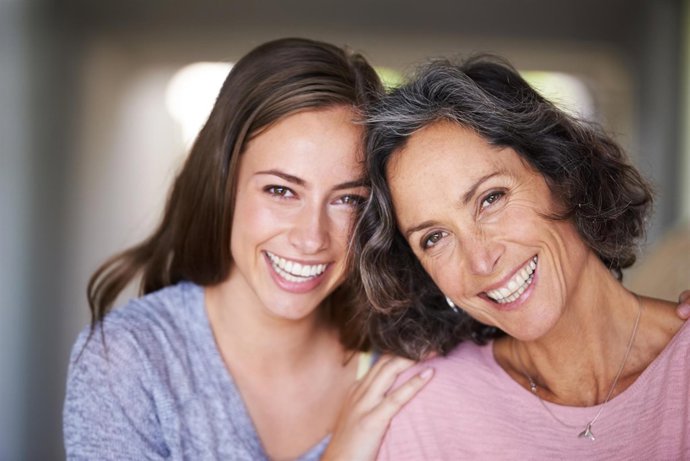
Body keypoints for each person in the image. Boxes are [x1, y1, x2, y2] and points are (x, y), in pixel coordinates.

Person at [63, 37, 433, 461]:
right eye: (281, 190)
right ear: (224, 184)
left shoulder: (401, 360)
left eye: (348, 199)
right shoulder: (129, 359)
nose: (311, 238)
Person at [355, 55, 690, 459]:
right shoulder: (423, 405)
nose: (480, 261)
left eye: (491, 199)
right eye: (435, 237)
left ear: (563, 176)